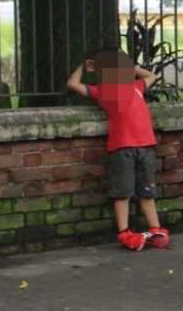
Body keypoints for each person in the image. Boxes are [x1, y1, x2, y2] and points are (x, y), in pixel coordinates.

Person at [66, 51, 170, 251]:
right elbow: (73, 84)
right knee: (123, 193)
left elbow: (151, 76)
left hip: (146, 146)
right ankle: (124, 232)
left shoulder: (137, 86)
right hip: (122, 148)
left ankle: (156, 228)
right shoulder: (103, 91)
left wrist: (132, 67)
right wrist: (84, 65)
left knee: (147, 191)